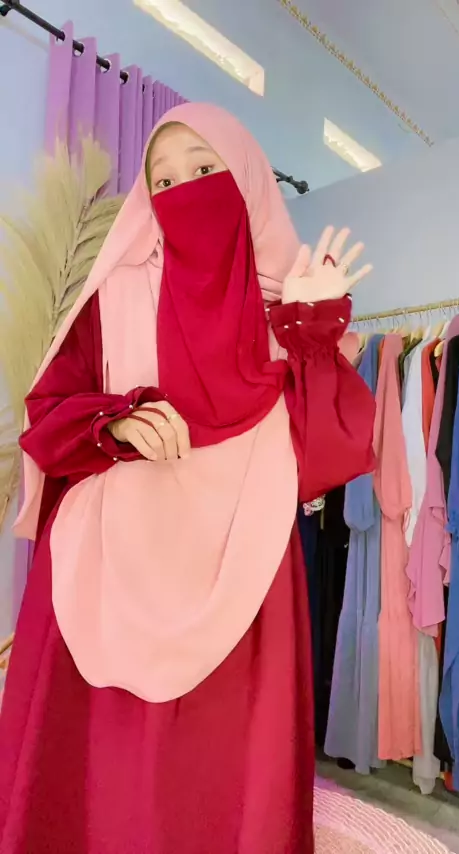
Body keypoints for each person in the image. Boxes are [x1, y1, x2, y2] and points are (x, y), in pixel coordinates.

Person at [0, 103, 375, 854]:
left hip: (243, 566)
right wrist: (115, 422)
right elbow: (49, 412)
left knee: (218, 781)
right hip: (113, 570)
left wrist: (311, 338)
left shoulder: (287, 303)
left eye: (205, 170)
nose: (185, 193)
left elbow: (326, 461)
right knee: (100, 785)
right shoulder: (114, 293)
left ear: (249, 180)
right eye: (163, 182)